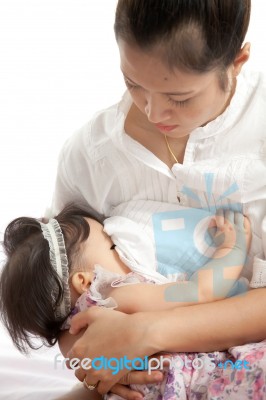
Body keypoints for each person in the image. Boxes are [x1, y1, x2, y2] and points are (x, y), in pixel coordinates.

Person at [51, 0, 266, 399]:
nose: (152, 111)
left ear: (237, 61)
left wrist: (146, 332)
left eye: (179, 97)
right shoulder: (91, 155)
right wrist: (96, 361)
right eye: (133, 83)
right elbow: (60, 296)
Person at [0, 204, 251, 399]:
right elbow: (201, 292)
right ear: (85, 282)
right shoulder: (117, 295)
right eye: (112, 247)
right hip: (201, 381)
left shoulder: (73, 341)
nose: (122, 249)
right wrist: (233, 248)